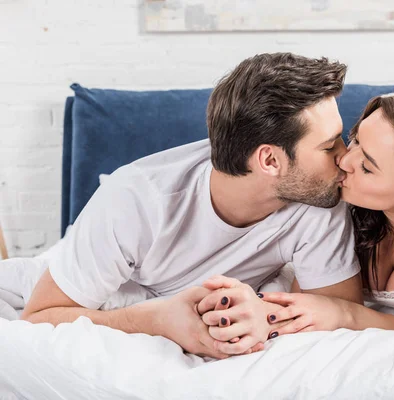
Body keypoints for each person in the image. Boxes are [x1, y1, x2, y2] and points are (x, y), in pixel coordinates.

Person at [20, 53, 363, 358]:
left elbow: (340, 309)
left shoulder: (317, 193)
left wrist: (263, 313)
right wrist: (152, 320)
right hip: (125, 283)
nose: (345, 157)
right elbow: (39, 316)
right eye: (329, 145)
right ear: (270, 159)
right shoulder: (137, 199)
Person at [204, 92, 394, 336]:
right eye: (356, 139)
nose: (344, 159)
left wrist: (344, 313)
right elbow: (304, 303)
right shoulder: (325, 197)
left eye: (367, 167)